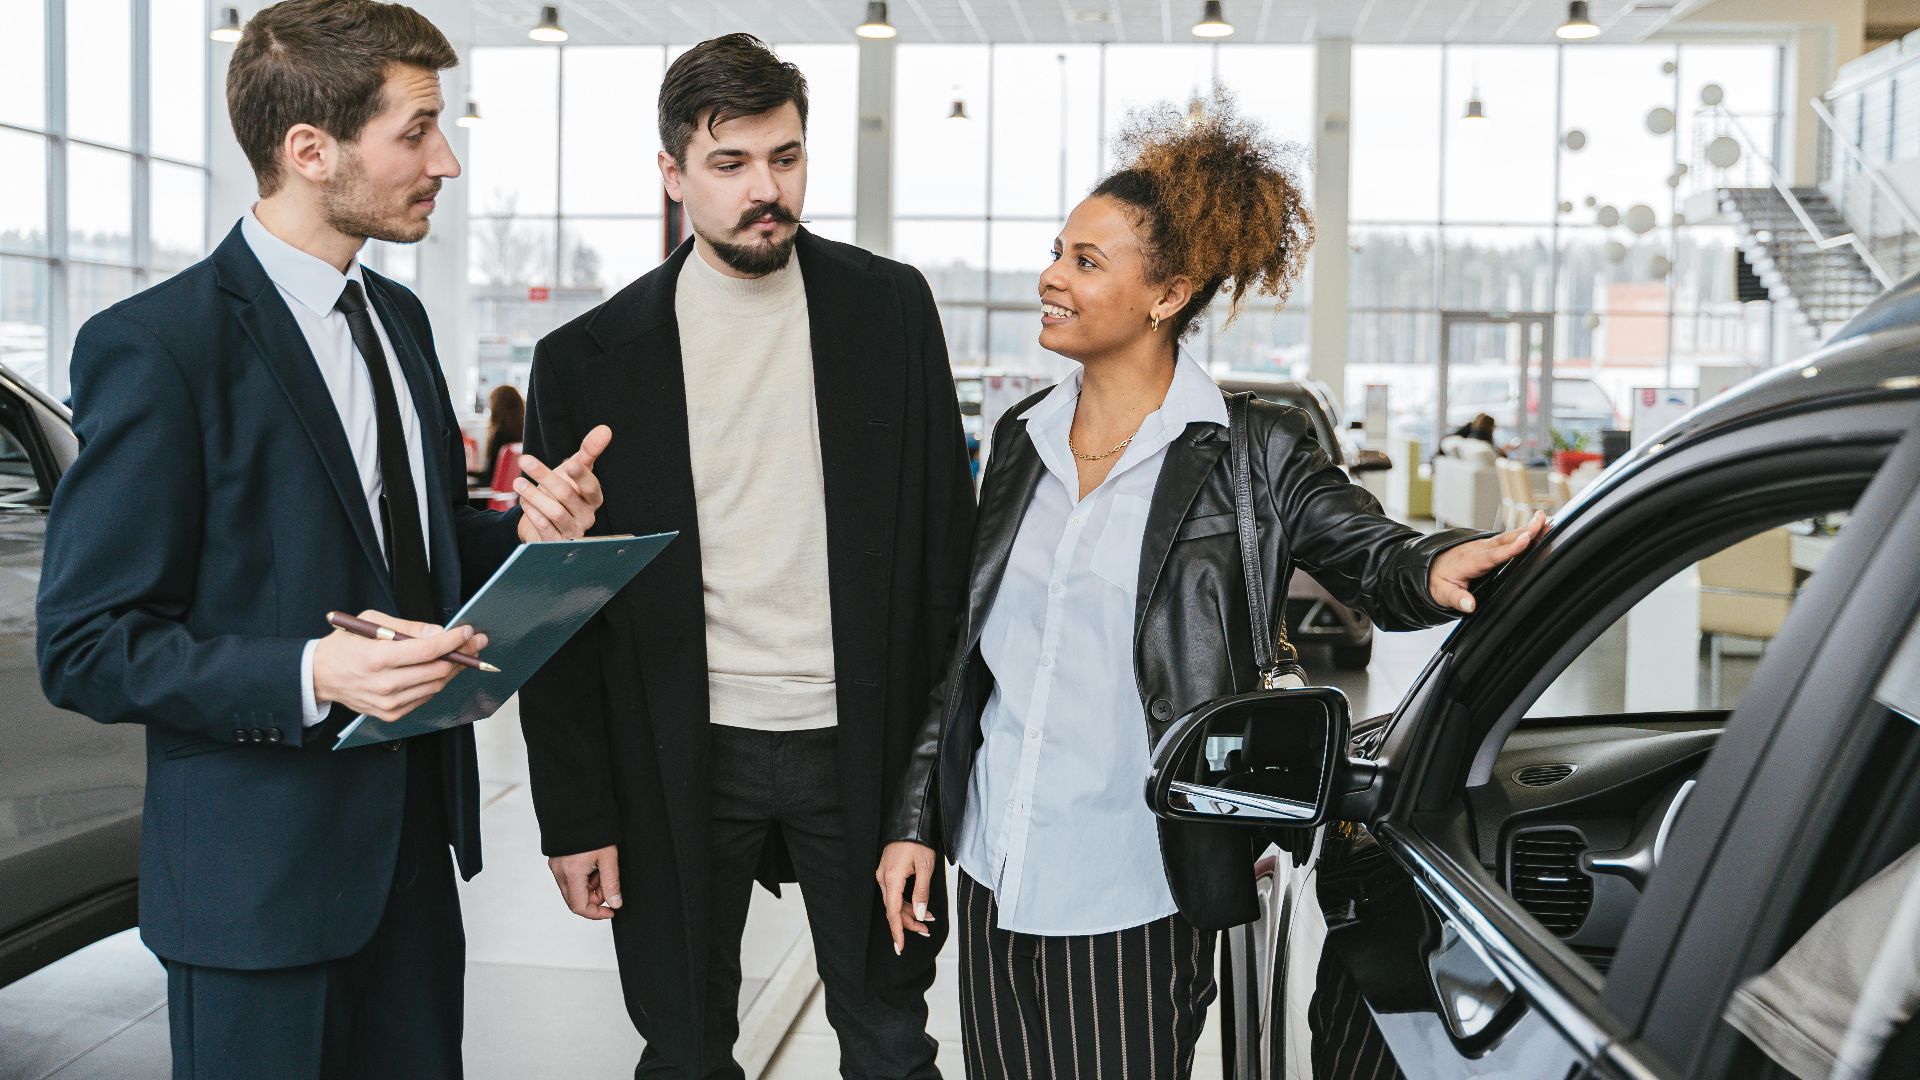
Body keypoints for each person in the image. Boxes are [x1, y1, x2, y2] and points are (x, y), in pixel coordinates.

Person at [875, 92, 1547, 1080]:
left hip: (1133, 886)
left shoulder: (1248, 454)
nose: (1050, 279)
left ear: (1167, 294)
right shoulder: (1021, 442)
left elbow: (1369, 550)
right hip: (994, 868)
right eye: (1059, 252)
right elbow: (966, 659)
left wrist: (1435, 563)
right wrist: (916, 825)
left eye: (1085, 262)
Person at [35, 2, 609, 1075]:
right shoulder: (158, 347)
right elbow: (85, 645)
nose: (444, 160)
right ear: (310, 150)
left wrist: (527, 532)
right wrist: (313, 672)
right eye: (416, 131)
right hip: (256, 891)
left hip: (411, 863)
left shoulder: (397, 324)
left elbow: (417, 557)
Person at [517, 33, 973, 1080]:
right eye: (730, 164)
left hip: (857, 742)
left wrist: (929, 798)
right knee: (682, 1050)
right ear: (673, 175)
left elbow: (948, 567)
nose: (767, 190)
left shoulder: (890, 310)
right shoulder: (585, 361)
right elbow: (560, 611)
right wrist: (575, 814)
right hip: (679, 752)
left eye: (787, 157)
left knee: (892, 1043)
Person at [480, 383, 525, 481]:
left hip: (491, 492)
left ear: (496, 407)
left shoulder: (501, 435)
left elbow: (490, 477)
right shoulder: (522, 433)